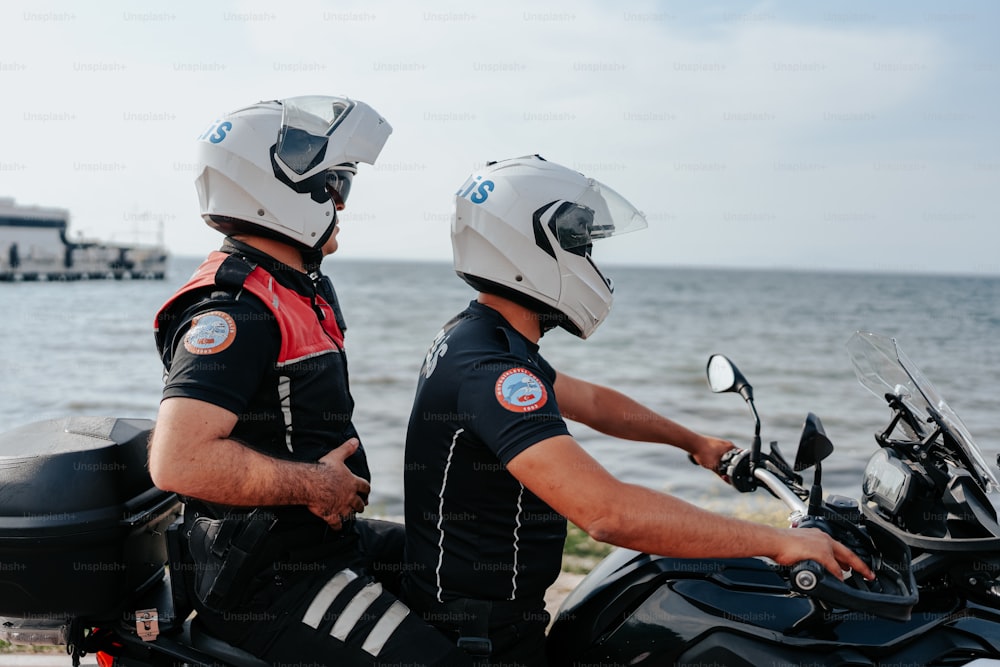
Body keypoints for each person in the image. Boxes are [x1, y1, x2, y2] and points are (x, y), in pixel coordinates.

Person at [401, 155, 875, 666]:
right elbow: (608, 514)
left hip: (479, 617)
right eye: (580, 243)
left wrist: (694, 443)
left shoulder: (480, 338)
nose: (589, 257)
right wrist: (778, 543)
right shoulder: (493, 371)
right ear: (530, 246)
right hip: (483, 640)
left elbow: (595, 403)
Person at [149, 95, 471, 666]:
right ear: (280, 191)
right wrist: (315, 487)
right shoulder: (232, 311)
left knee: (467, 579)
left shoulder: (296, 287)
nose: (342, 203)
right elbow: (179, 461)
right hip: (269, 580)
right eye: (335, 185)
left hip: (319, 543)